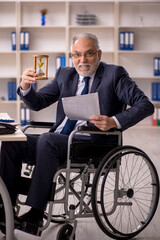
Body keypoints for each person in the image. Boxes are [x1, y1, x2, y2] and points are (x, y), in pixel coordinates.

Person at [0, 33, 154, 230]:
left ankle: (36, 213)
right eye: (77, 54)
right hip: (60, 141)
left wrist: (113, 121)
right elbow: (38, 103)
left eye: (89, 54)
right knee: (13, 141)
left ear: (99, 54)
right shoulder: (65, 74)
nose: (82, 60)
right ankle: (5, 208)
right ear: (71, 56)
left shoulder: (114, 74)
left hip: (92, 144)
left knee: (47, 140)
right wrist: (25, 86)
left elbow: (145, 105)